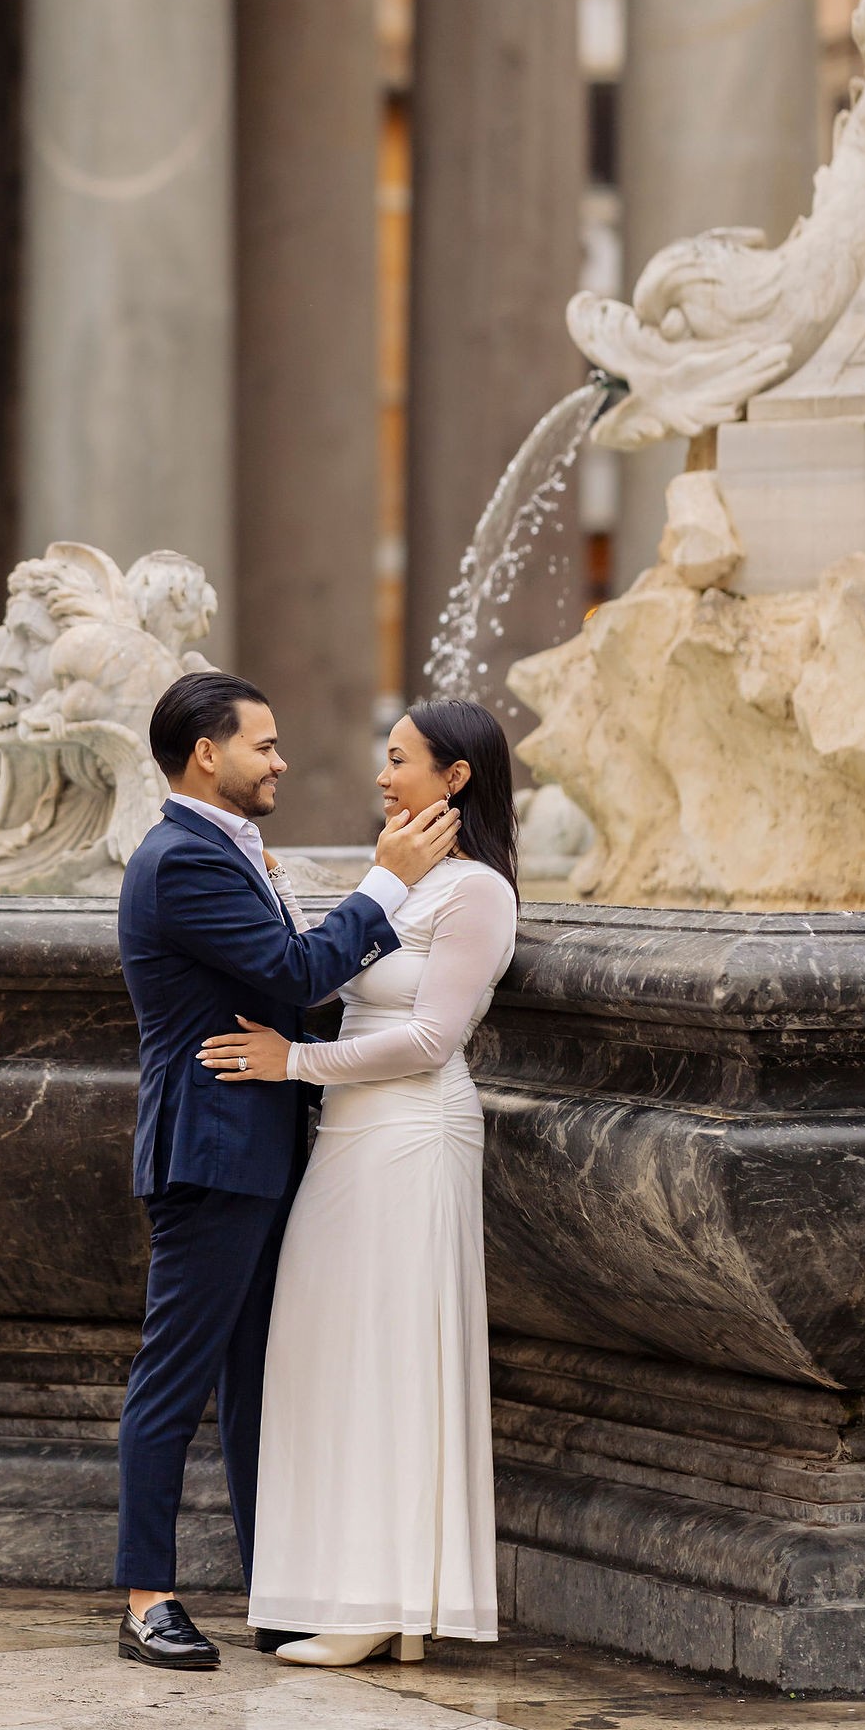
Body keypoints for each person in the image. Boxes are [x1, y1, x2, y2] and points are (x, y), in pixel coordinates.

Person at [113, 668, 462, 1672]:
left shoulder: (227, 849)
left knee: (265, 1380)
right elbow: (297, 974)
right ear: (205, 756)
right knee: (173, 1380)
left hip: (257, 1147)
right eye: (262, 745)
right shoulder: (182, 859)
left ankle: (282, 1590)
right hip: (210, 1155)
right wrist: (388, 882)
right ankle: (146, 1602)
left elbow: (287, 969)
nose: (280, 760)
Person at [197, 697, 520, 1667]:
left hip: (414, 1135)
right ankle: (368, 1597)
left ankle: (387, 1604)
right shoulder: (405, 877)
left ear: (454, 777)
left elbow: (428, 1041)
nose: (381, 778)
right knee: (328, 1347)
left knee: (390, 1355)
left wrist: (285, 1064)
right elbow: (323, 982)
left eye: (399, 760)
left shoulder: (477, 894)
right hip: (348, 1138)